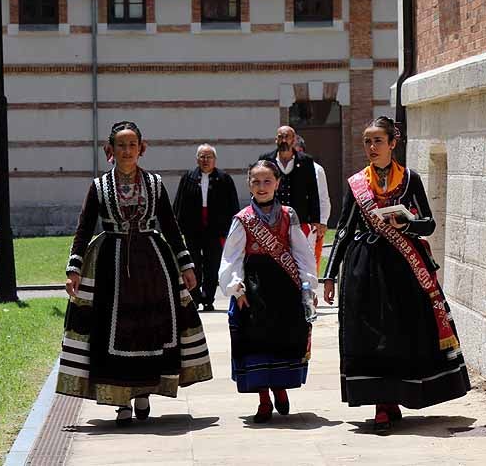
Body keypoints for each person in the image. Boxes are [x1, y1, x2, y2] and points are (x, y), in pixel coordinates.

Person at [57, 121, 213, 426]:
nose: (127, 151)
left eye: (132, 145)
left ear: (141, 148)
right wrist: (74, 268)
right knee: (112, 329)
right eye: (121, 145)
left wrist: (186, 265)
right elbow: (84, 227)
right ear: (110, 150)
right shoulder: (99, 187)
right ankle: (121, 402)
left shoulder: (155, 184)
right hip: (109, 267)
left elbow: (170, 225)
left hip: (152, 264)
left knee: (150, 329)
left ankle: (144, 392)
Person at [321, 116, 471, 434]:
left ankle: (396, 395)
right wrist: (330, 274)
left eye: (378, 141)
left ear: (393, 143)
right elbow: (345, 229)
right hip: (366, 269)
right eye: (367, 141)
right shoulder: (356, 183)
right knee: (371, 335)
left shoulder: (410, 179)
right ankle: (381, 404)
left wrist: (408, 225)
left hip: (404, 270)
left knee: (403, 333)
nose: (371, 147)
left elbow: (428, 222)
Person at [219, 160, 318, 423]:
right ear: (248, 184)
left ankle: (281, 388)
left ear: (277, 183)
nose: (261, 187)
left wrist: (308, 286)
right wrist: (237, 289)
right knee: (256, 342)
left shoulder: (289, 215)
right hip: (254, 288)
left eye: (267, 181)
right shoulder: (242, 219)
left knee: (284, 339)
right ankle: (263, 398)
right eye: (256, 181)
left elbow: (302, 252)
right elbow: (232, 257)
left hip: (285, 286)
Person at [173, 144, 241, 311]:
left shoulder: (224, 178)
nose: (205, 160)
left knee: (212, 264)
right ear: (197, 159)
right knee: (193, 264)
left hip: (215, 230)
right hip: (193, 230)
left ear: (214, 160)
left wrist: (232, 228)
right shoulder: (188, 177)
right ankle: (194, 298)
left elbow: (233, 205)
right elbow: (179, 204)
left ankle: (208, 298)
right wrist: (177, 226)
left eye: (209, 157)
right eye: (202, 157)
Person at [258, 126, 321, 239]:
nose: (283, 140)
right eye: (280, 137)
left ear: (294, 140)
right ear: (276, 140)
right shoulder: (266, 160)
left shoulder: (306, 161)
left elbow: (313, 191)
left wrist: (315, 219)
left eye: (287, 137)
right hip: (271, 218)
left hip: (299, 219)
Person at [294, 135, 330, 272]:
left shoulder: (316, 169)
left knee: (310, 262)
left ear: (301, 149)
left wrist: (323, 222)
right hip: (288, 224)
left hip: (310, 224)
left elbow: (323, 198)